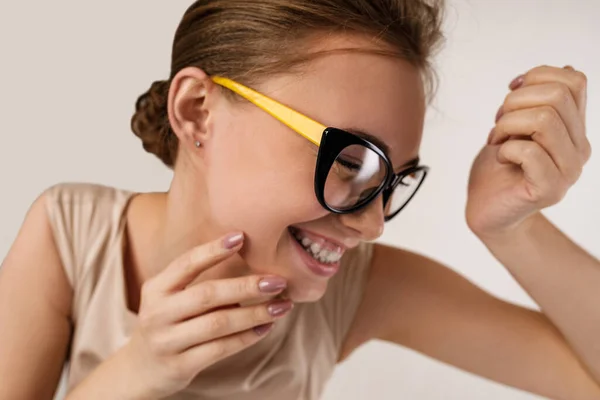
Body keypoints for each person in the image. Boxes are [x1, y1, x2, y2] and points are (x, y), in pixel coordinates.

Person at [1, 0, 599, 399]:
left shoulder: (360, 289)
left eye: (390, 183)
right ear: (197, 112)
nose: (371, 225)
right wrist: (139, 369)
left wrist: (510, 229)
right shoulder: (70, 235)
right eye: (349, 163)